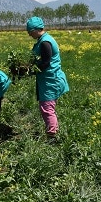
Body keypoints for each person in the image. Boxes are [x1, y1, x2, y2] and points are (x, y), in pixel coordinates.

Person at [26, 16, 69, 144]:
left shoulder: (45, 42)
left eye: (29, 31)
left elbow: (45, 63)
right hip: (47, 79)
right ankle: (53, 132)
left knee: (47, 108)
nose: (29, 34)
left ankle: (52, 138)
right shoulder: (43, 40)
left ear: (35, 30)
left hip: (51, 79)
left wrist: (31, 70)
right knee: (47, 107)